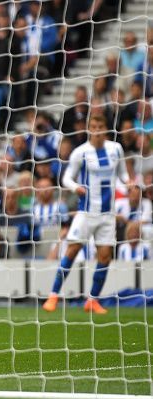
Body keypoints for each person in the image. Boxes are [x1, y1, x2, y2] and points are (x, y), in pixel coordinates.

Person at [43, 115, 131, 314]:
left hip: (107, 214)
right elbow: (66, 178)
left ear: (106, 129)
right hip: (86, 212)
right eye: (93, 126)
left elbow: (123, 173)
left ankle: (92, 300)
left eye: (100, 126)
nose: (97, 130)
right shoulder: (80, 152)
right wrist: (76, 188)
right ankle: (53, 295)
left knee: (105, 256)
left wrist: (128, 182)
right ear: (89, 129)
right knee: (72, 251)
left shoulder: (116, 149)